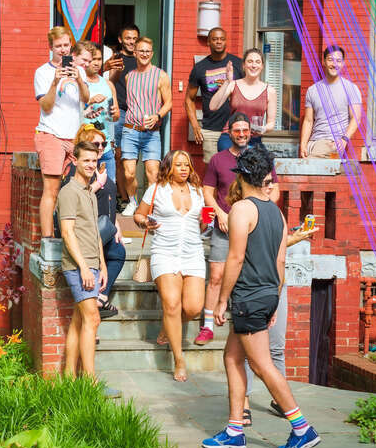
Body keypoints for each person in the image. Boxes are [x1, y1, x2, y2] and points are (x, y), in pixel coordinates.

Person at [202, 146, 321, 448]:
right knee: (232, 357)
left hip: (248, 296)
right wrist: (273, 302)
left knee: (262, 364)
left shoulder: (242, 209)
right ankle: (234, 431)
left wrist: (221, 299)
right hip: (267, 294)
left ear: (241, 176)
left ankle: (301, 427)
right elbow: (281, 262)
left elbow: (236, 257)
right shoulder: (276, 213)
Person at [194, 113, 279, 349]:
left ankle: (237, 319)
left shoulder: (261, 160)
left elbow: (275, 191)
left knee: (246, 272)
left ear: (251, 132)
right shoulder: (218, 160)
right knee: (217, 275)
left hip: (252, 228)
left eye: (245, 130)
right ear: (228, 132)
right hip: (223, 227)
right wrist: (220, 214)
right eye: (237, 130)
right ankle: (208, 326)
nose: (241, 134)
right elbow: (207, 191)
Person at [133, 150, 206, 382]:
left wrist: (207, 221)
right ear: (169, 167)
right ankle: (179, 359)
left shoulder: (198, 191)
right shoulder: (156, 190)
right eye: (179, 164)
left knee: (194, 308)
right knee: (172, 305)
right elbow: (138, 216)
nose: (184, 168)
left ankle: (168, 327)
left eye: (187, 165)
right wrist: (146, 222)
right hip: (164, 252)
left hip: (193, 252)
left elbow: (202, 225)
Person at [61, 124, 126, 319]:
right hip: (86, 235)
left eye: (103, 144)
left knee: (118, 252)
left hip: (103, 231)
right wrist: (98, 184)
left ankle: (101, 297)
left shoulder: (99, 168)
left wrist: (117, 227)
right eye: (97, 143)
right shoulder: (79, 172)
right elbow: (77, 198)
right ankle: (98, 302)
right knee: (88, 319)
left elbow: (109, 201)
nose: (101, 148)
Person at [57, 141, 107, 379]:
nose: (90, 165)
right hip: (78, 265)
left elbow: (95, 232)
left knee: (79, 320)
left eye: (94, 160)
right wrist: (85, 268)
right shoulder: (68, 192)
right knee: (92, 318)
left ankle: (69, 376)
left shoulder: (89, 191)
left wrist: (102, 265)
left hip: (92, 263)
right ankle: (90, 381)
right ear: (74, 161)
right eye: (86, 160)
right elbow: (67, 233)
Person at [34, 26, 90, 239]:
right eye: (58, 47)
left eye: (66, 45)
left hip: (74, 137)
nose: (63, 50)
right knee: (52, 189)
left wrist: (78, 79)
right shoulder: (43, 72)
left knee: (77, 189)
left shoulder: (80, 70)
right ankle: (48, 240)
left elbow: (86, 98)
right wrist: (55, 81)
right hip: (51, 135)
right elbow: (46, 106)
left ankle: (73, 235)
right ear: (51, 48)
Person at [120, 37, 172, 216]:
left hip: (151, 133)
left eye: (147, 51)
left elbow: (169, 103)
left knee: (152, 174)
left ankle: (150, 208)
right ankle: (132, 202)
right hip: (130, 130)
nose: (144, 54)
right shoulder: (129, 76)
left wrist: (158, 115)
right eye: (141, 50)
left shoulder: (161, 75)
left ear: (152, 53)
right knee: (129, 173)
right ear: (134, 52)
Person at [185, 27, 243, 164]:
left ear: (226, 42)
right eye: (215, 39)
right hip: (211, 129)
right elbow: (189, 99)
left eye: (222, 39)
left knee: (234, 171)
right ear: (208, 43)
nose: (219, 42)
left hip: (234, 129)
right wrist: (195, 126)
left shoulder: (238, 64)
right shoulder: (200, 68)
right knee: (212, 171)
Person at [300, 45, 362, 158]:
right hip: (313, 144)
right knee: (309, 172)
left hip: (332, 144)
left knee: (304, 169)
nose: (334, 64)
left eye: (338, 61)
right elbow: (308, 121)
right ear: (324, 62)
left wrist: (344, 139)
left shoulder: (351, 89)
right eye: (330, 60)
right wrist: (303, 144)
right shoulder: (312, 90)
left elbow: (356, 118)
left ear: (343, 63)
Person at [210, 47, 277, 150]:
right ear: (244, 65)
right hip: (230, 137)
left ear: (262, 66)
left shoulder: (270, 91)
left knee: (267, 163)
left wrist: (263, 129)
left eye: (257, 62)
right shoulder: (233, 85)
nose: (253, 65)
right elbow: (213, 106)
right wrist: (227, 81)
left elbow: (271, 123)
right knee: (235, 160)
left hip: (253, 138)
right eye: (250, 61)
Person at [104, 24, 139, 206]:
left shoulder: (142, 59)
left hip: (138, 114)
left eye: (134, 38)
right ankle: (122, 197)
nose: (131, 42)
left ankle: (130, 197)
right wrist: (111, 67)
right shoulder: (115, 59)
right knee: (117, 154)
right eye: (128, 38)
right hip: (120, 111)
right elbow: (108, 82)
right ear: (120, 40)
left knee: (130, 158)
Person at [81, 44, 120, 184]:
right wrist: (90, 101)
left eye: (99, 59)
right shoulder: (79, 83)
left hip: (105, 147)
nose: (97, 63)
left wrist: (114, 113)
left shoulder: (108, 84)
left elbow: (115, 117)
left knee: (109, 187)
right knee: (86, 189)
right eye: (93, 59)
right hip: (85, 146)